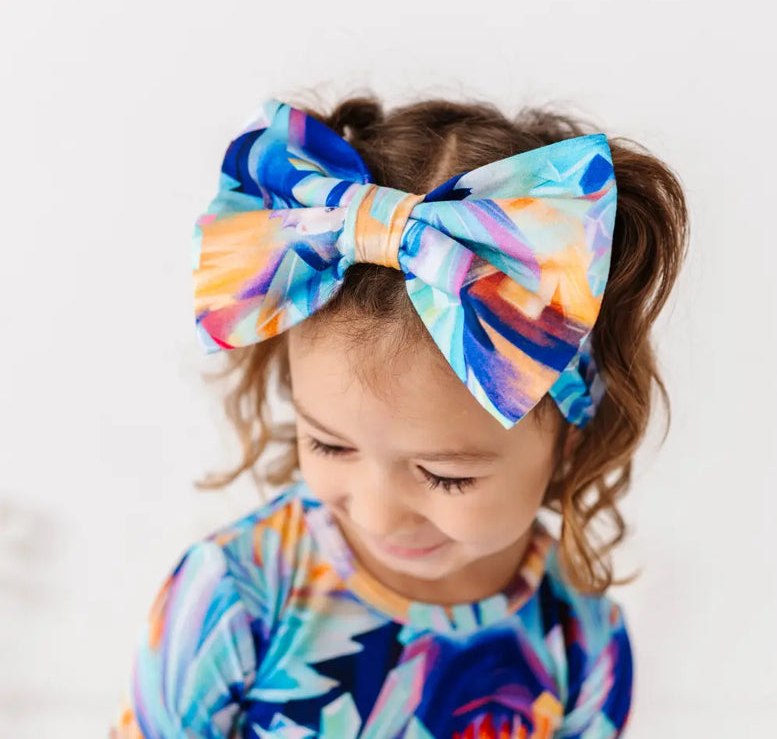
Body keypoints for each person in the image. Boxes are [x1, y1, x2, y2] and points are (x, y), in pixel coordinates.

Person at [111, 92, 689, 738]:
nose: (378, 514)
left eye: (445, 476)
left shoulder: (582, 637)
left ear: (575, 437)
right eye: (329, 446)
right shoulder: (237, 597)